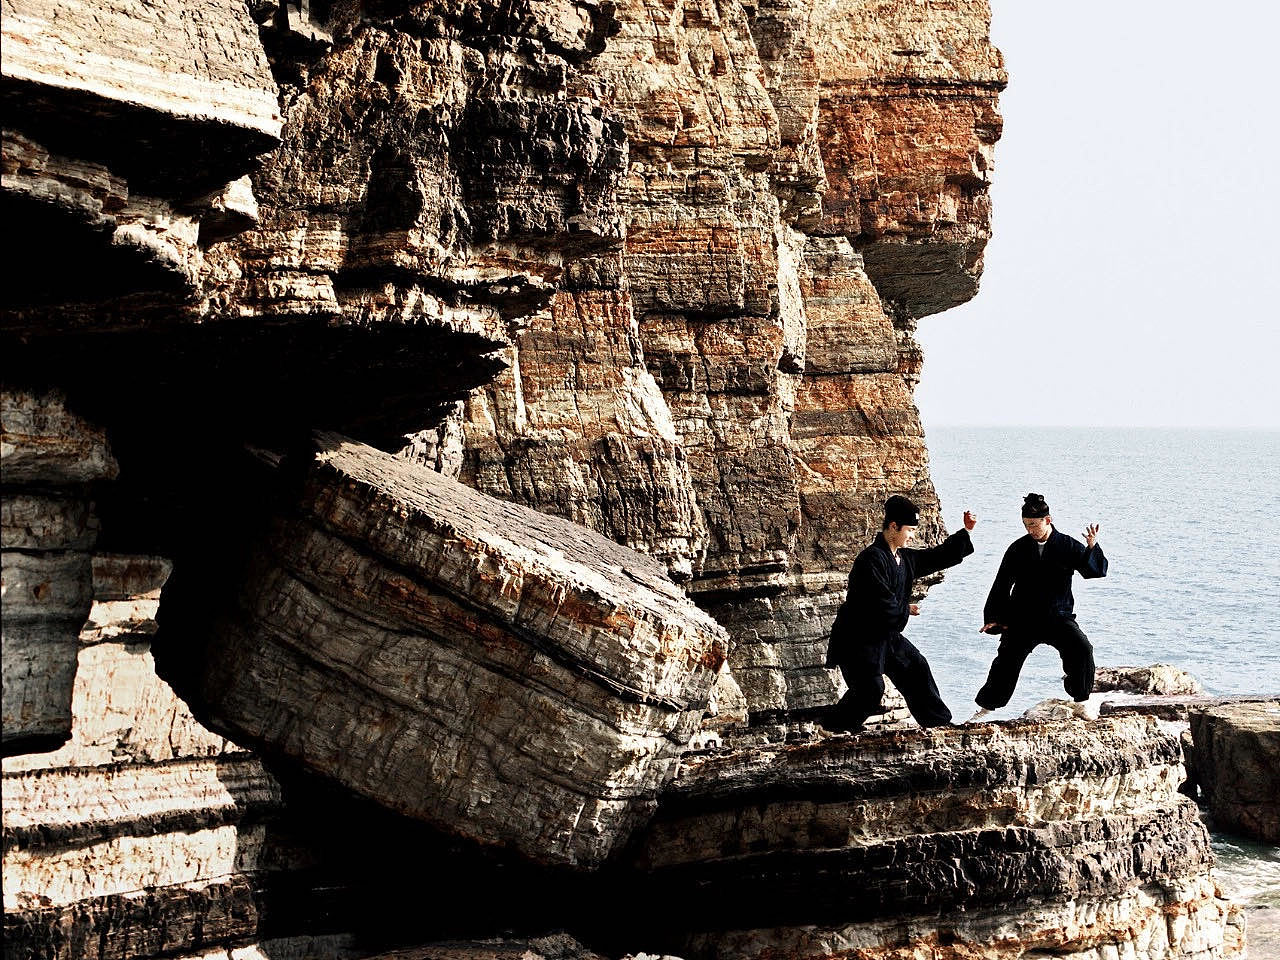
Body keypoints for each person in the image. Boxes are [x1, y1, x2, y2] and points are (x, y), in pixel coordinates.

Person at [823, 495, 978, 733]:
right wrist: (906, 609)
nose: (912, 536)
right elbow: (878, 602)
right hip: (857, 639)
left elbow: (936, 557)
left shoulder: (904, 558)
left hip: (885, 636)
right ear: (893, 526)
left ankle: (938, 724)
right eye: (910, 530)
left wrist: (966, 531)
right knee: (870, 690)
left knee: (916, 667)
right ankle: (832, 728)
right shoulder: (870, 559)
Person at [969, 493, 1107, 722]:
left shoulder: (1067, 545)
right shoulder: (1018, 548)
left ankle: (1081, 701)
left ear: (1047, 520)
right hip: (1023, 618)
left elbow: (1094, 571)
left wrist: (1092, 547)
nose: (1030, 530)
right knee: (1006, 661)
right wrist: (994, 617)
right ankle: (986, 708)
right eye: (1026, 525)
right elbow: (1002, 583)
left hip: (1058, 616)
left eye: (1033, 524)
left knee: (1082, 649)